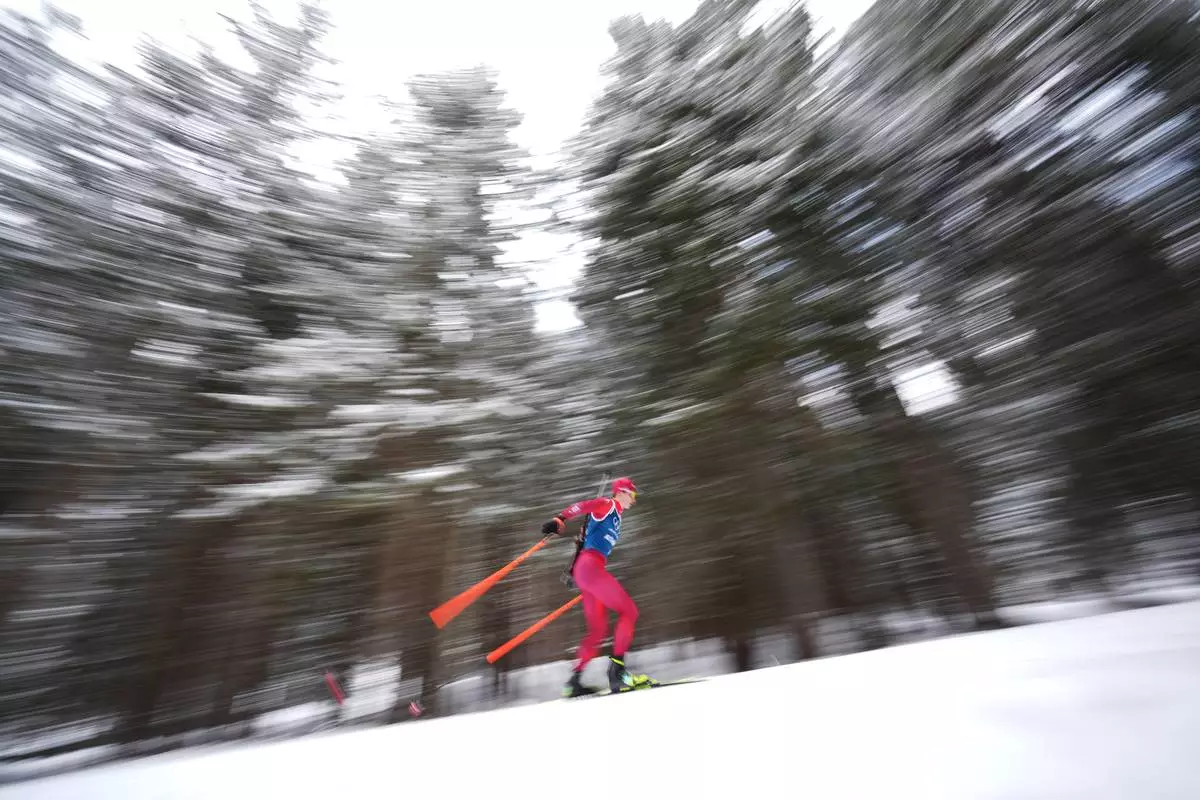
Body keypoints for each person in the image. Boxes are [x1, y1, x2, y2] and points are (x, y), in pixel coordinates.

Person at [542, 476, 658, 697]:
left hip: (587, 572)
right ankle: (619, 673)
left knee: (598, 630)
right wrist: (560, 518)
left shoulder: (616, 516)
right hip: (590, 569)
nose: (633, 500)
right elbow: (584, 506)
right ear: (621, 492)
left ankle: (573, 682)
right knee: (629, 611)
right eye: (632, 494)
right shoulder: (608, 504)